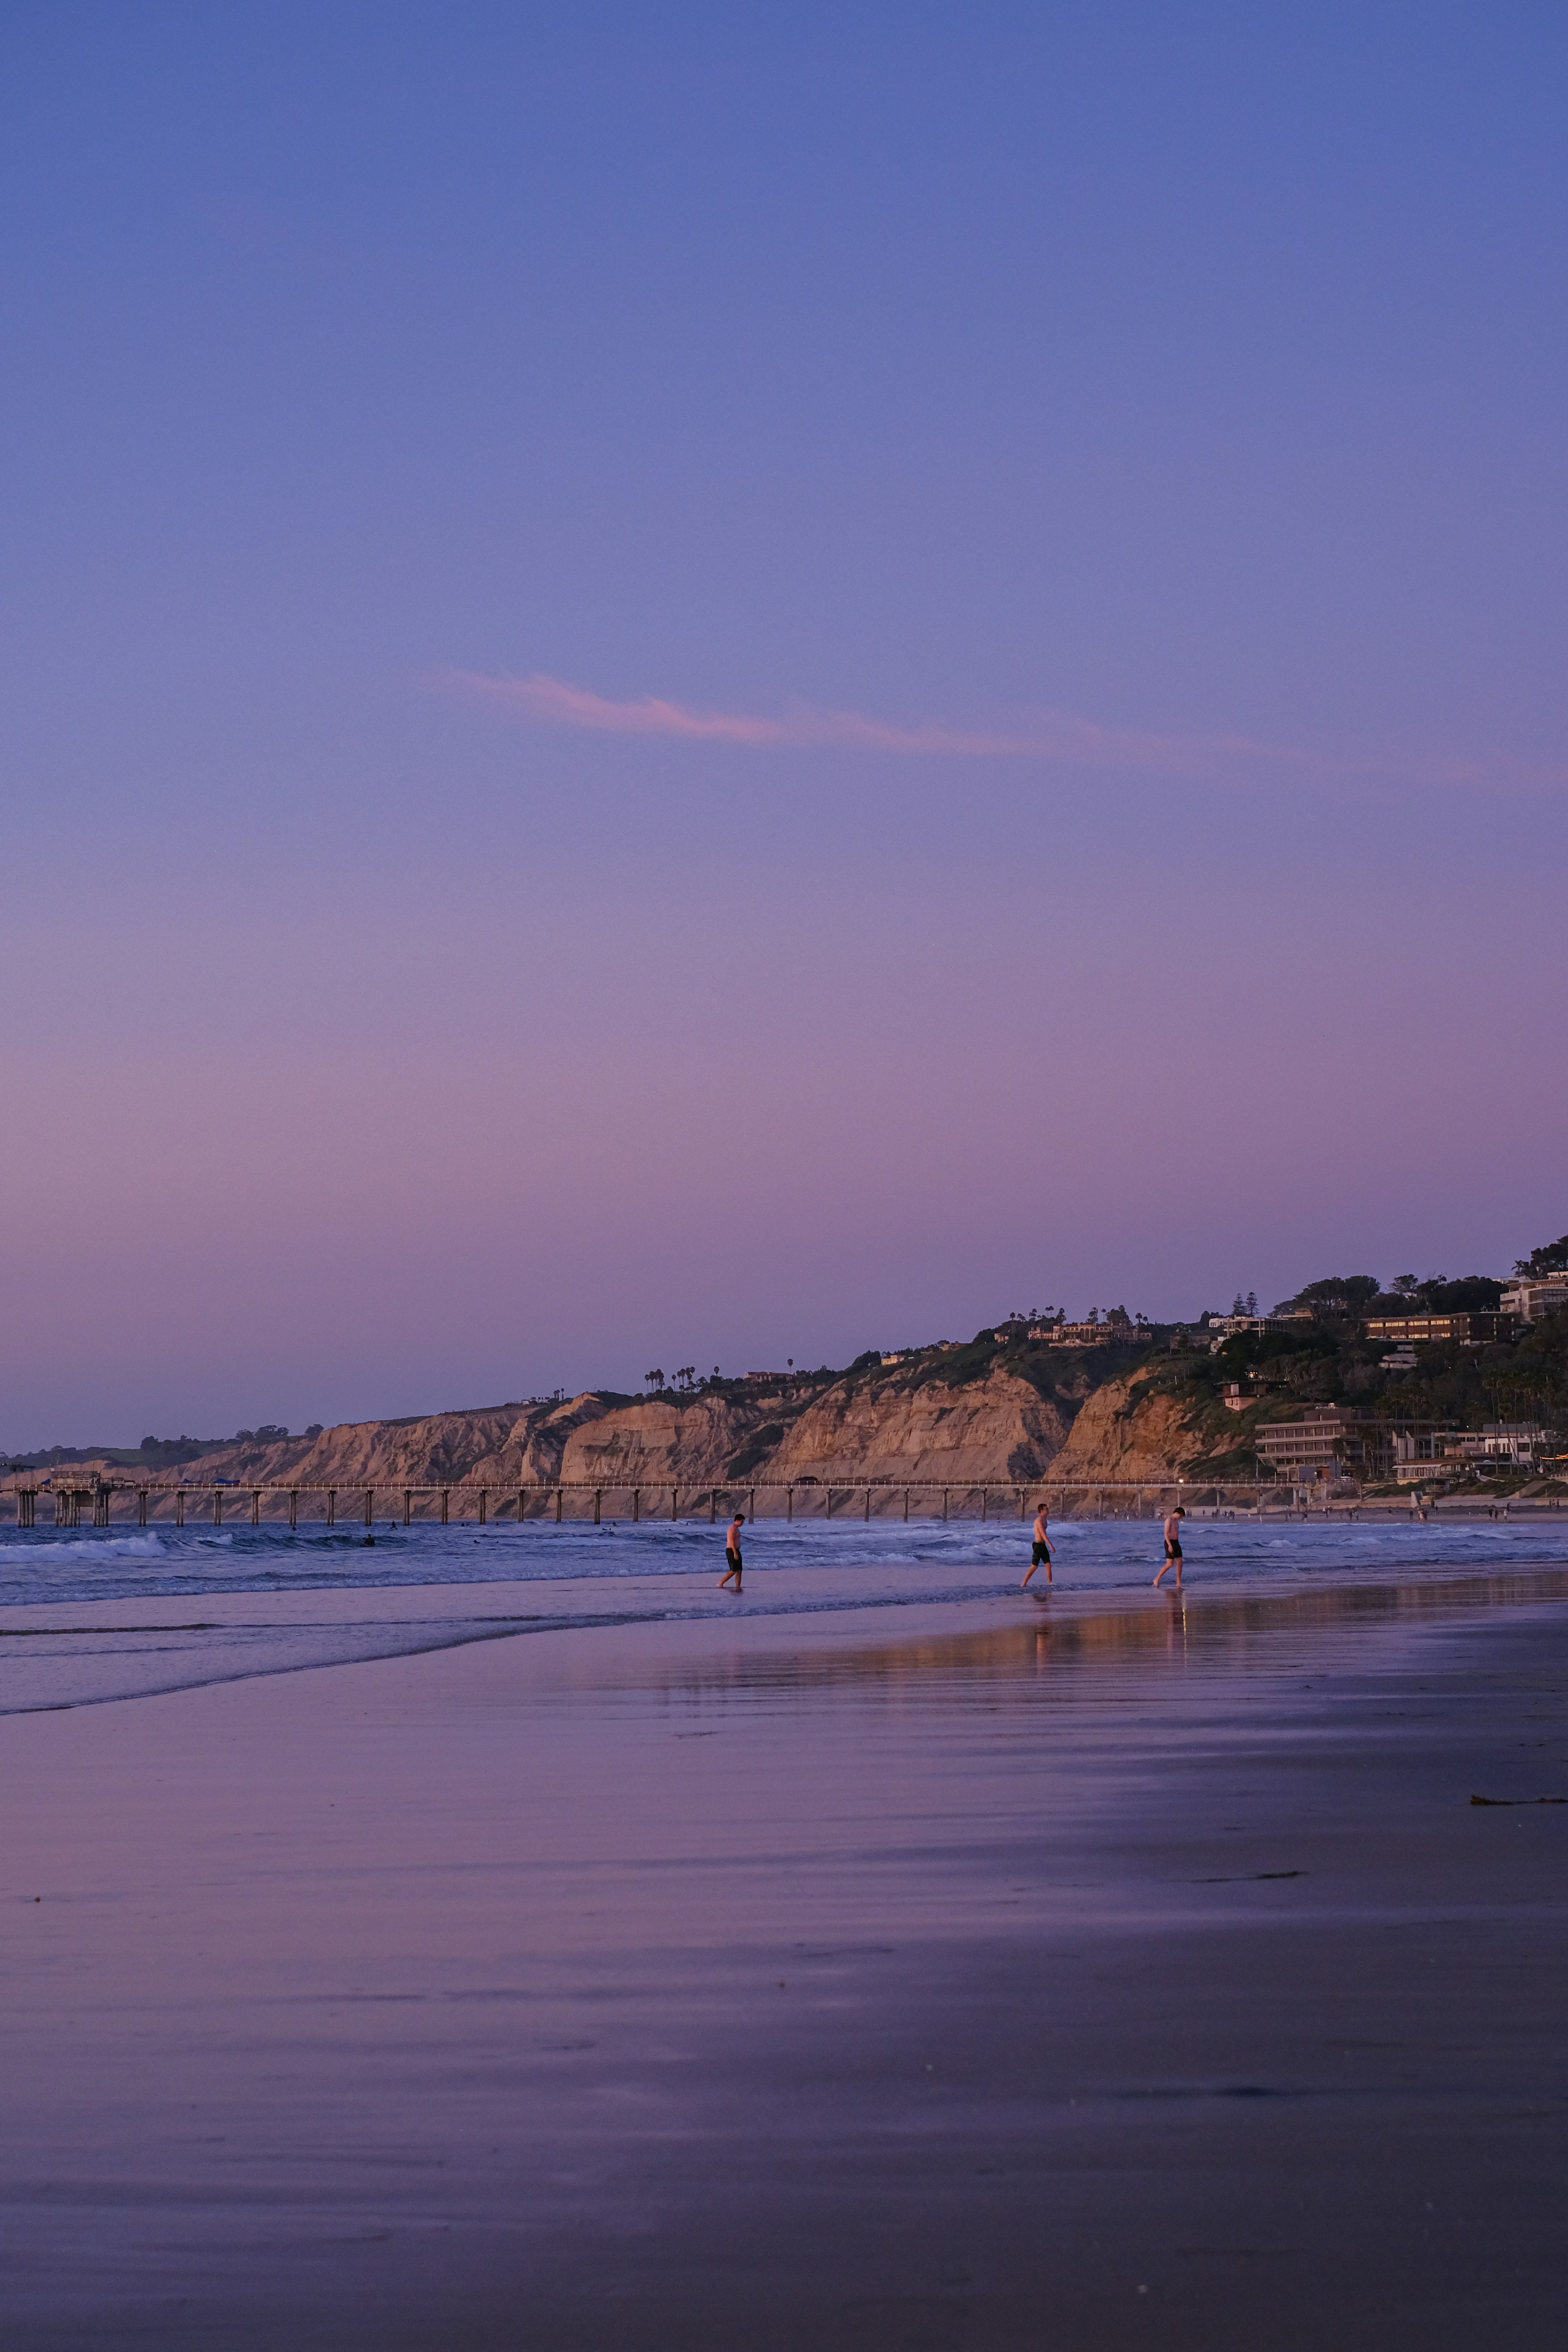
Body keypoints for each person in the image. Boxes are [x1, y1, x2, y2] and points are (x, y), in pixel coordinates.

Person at [1021, 1503, 1053, 1588]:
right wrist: (1051, 1545)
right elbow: (1043, 1534)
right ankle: (1023, 1584)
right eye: (1046, 1509)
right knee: (1034, 1566)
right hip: (1038, 1545)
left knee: (1048, 1565)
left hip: (1043, 1545)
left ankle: (1050, 1584)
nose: (1048, 1510)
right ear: (1042, 1511)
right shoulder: (1039, 1520)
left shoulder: (1045, 1520)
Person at [1154, 1504, 1186, 1587]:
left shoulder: (1176, 1521)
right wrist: (1170, 1546)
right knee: (1170, 1564)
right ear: (1177, 1513)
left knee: (1180, 1563)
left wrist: (1177, 1543)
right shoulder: (1169, 1520)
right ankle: (1157, 1579)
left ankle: (1178, 1582)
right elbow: (1166, 1534)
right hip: (1170, 1543)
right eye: (1181, 1516)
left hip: (1176, 1543)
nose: (1181, 1518)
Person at [719, 1512, 746, 1590]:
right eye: (742, 1522)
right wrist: (735, 1553)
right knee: (733, 1570)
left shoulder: (737, 1528)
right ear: (737, 1520)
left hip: (737, 1550)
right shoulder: (732, 1528)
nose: (742, 1523)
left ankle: (738, 1586)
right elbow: (732, 1541)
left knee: (739, 1570)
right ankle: (721, 1583)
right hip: (731, 1550)